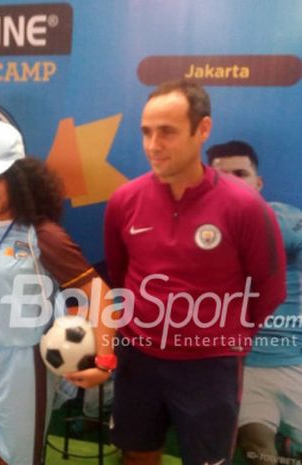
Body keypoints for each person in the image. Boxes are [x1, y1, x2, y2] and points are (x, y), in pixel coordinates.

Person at [103, 80, 287, 465]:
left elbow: (268, 289)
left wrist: (222, 335)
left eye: (167, 131)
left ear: (202, 129)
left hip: (210, 366)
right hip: (139, 358)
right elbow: (120, 278)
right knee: (136, 455)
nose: (153, 144)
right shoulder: (124, 201)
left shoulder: (245, 206)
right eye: (146, 132)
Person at [0, 120, 114, 465]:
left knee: (23, 458)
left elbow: (100, 293)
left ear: (20, 177)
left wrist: (104, 359)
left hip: (22, 361)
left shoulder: (41, 234)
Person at [207, 140, 302, 464]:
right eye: (222, 176)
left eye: (240, 174)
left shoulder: (283, 219)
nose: (232, 182)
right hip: (246, 368)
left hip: (295, 361)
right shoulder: (195, 231)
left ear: (257, 183)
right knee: (258, 452)